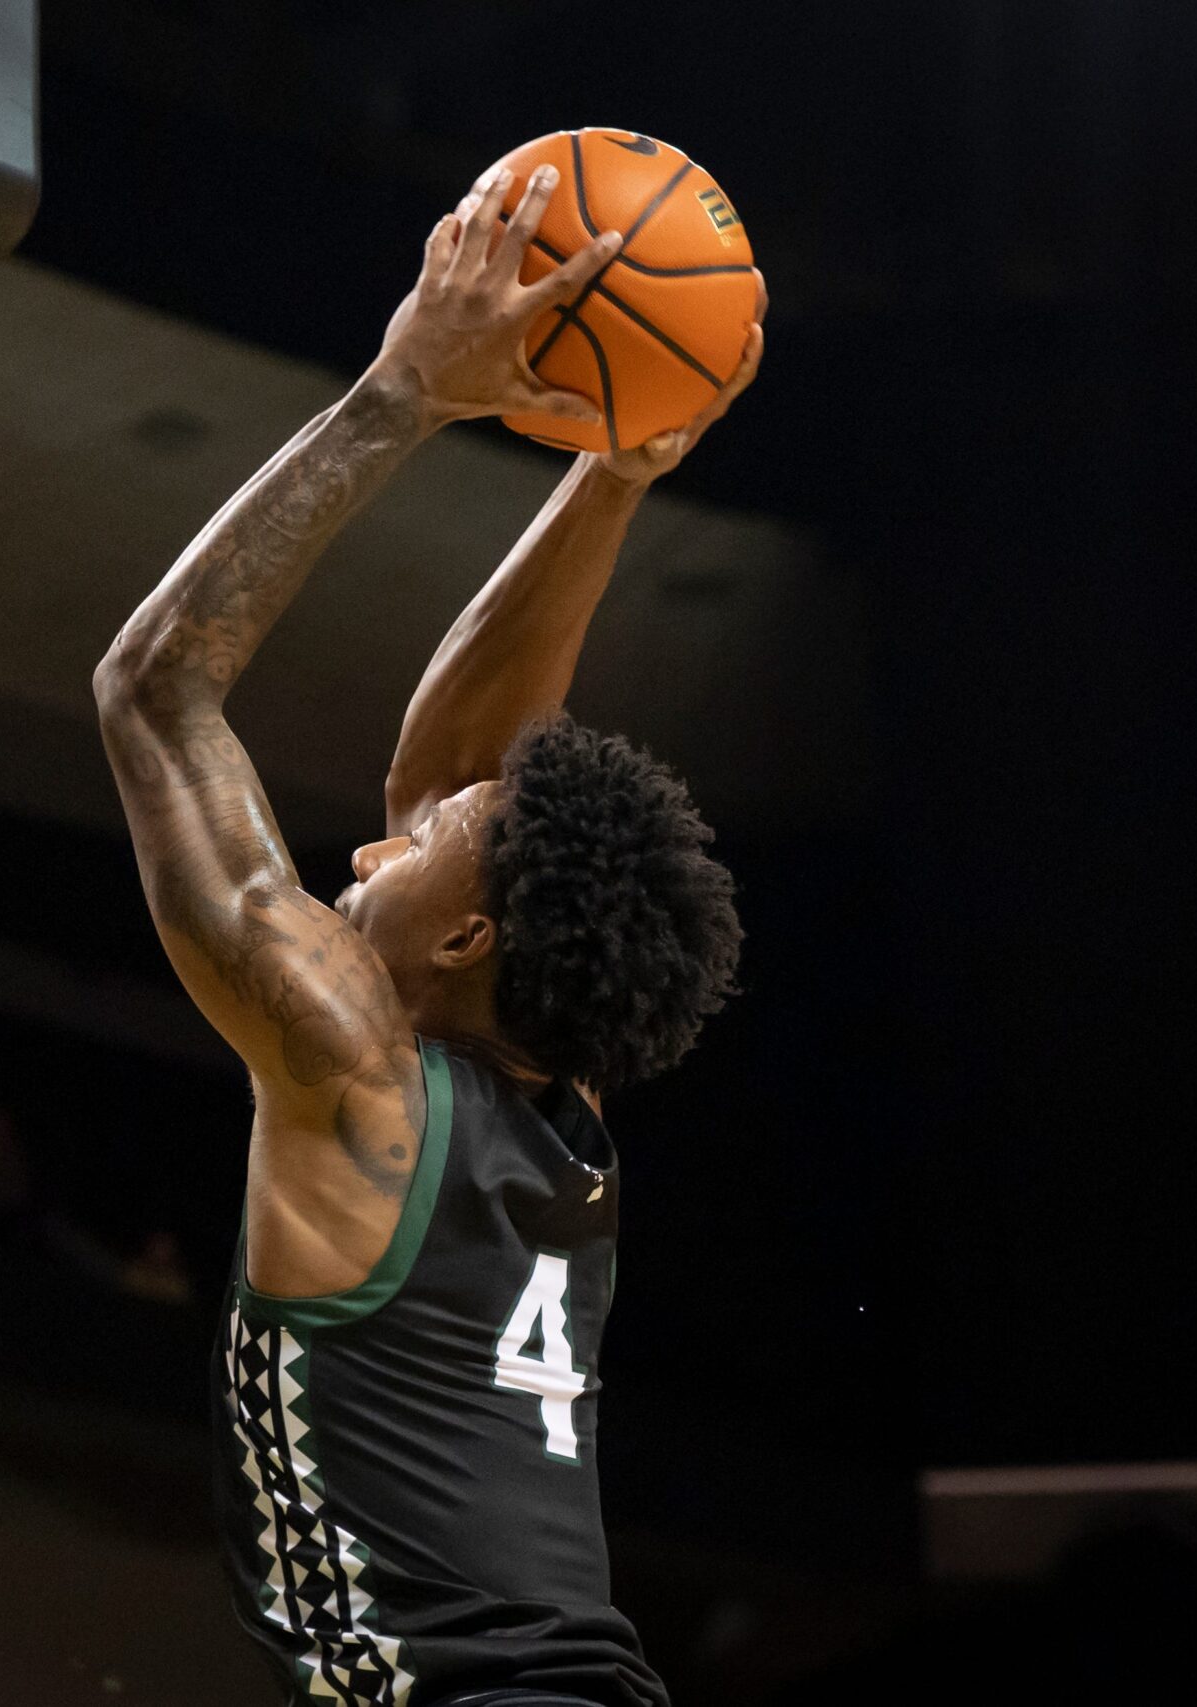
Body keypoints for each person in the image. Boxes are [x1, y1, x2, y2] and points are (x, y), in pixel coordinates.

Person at [93, 161, 763, 1707]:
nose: (377, 839)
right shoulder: (555, 1126)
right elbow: (474, 785)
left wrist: (403, 391)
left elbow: (154, 690)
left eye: (419, 848)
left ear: (469, 941)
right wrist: (616, 470)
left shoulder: (361, 1075)